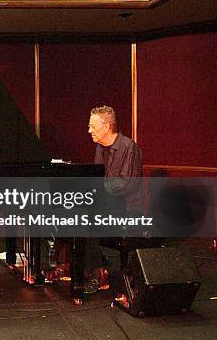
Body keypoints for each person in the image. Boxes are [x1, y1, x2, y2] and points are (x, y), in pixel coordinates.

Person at [86, 105, 144, 293]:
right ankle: (94, 268)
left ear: (107, 126)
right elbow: (98, 178)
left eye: (92, 126)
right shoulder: (100, 148)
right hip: (108, 206)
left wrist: (98, 190)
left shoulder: (129, 147)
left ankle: (98, 272)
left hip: (128, 210)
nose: (89, 130)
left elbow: (127, 184)